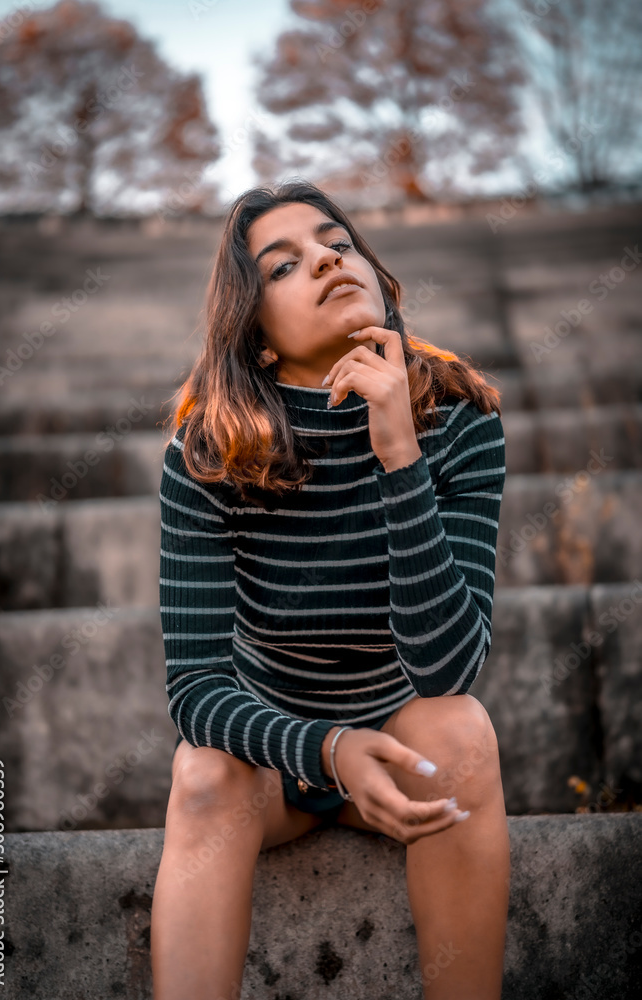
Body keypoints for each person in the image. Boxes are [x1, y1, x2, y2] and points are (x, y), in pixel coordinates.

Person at [150, 179, 510, 1000]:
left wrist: (399, 458)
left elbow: (447, 668)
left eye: (336, 244)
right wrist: (326, 751)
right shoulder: (208, 452)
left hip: (400, 741)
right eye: (283, 266)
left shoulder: (458, 416)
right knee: (202, 772)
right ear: (257, 334)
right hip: (270, 762)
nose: (324, 260)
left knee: (459, 729)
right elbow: (196, 691)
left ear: (375, 274)